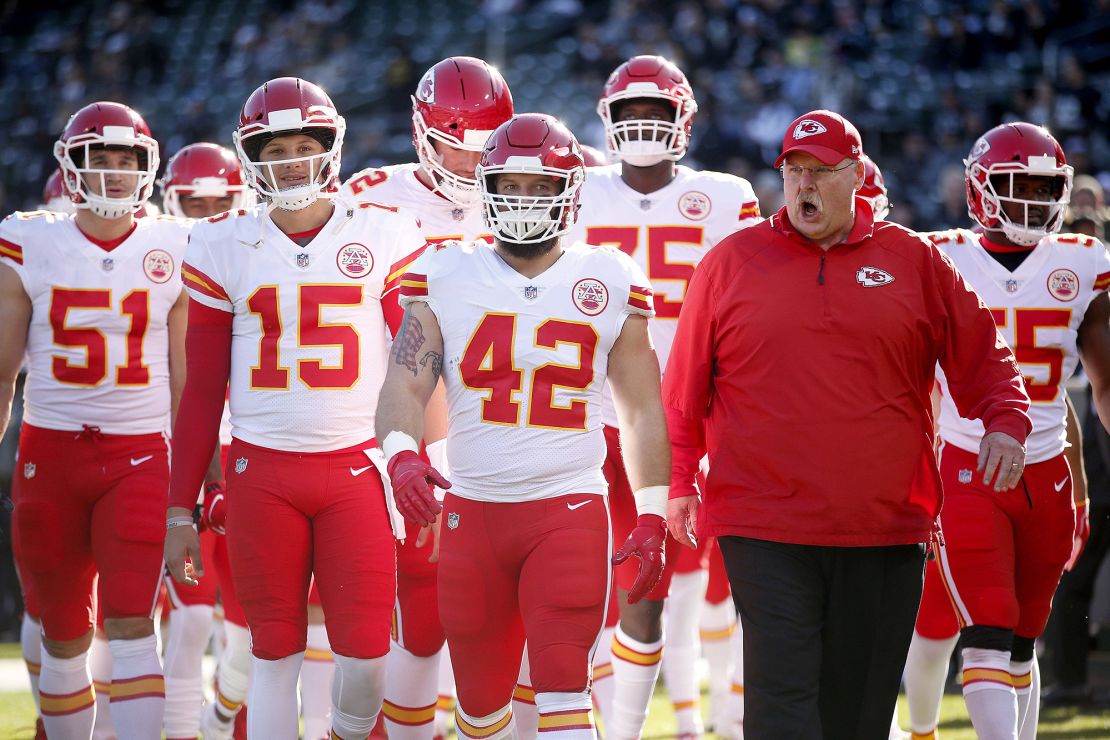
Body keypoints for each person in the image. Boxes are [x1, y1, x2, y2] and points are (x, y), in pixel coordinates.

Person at [664, 109, 1033, 740]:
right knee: (782, 705)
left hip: (885, 526)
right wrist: (678, 483)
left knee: (857, 714)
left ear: (856, 176)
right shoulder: (730, 262)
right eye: (793, 170)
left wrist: (1005, 420)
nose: (804, 185)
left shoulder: (915, 261)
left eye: (821, 171)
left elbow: (985, 358)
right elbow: (683, 388)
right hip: (763, 521)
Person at [375, 112, 671, 740]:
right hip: (473, 510)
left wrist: (650, 511)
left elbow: (642, 407)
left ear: (569, 191)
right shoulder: (443, 272)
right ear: (485, 187)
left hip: (568, 504)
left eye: (540, 187)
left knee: (565, 692)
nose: (524, 200)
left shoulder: (611, 276)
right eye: (511, 184)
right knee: (480, 711)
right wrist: (401, 452)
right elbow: (405, 380)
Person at [164, 76, 428, 740]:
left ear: (330, 149)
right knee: (272, 652)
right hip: (262, 470)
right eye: (274, 149)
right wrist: (179, 506)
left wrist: (427, 458)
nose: (291, 162)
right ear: (252, 157)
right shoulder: (222, 242)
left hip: (358, 467)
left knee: (367, 656)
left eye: (304, 146)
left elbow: (418, 363)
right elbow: (202, 388)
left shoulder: (385, 231)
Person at [563, 54, 761, 740]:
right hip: (586, 415)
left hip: (682, 420)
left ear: (683, 120)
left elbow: (747, 314)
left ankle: (634, 730)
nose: (644, 123)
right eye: (631, 112)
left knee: (652, 588)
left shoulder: (726, 194)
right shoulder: (575, 188)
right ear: (608, 121)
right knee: (579, 588)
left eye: (657, 111)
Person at [902, 122, 1110, 740]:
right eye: (1016, 186)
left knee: (1024, 635)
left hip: (1046, 468)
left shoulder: (1084, 259)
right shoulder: (937, 254)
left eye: (1046, 189)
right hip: (964, 460)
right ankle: (924, 729)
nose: (1032, 202)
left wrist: (1078, 486)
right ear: (979, 189)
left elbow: (1102, 386)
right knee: (987, 625)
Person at [0, 100, 191, 739]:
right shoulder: (29, 239)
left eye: (125, 161)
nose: (112, 174)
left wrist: (198, 483)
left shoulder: (176, 242)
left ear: (147, 168)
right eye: (97, 160)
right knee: (63, 637)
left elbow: (187, 380)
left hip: (140, 456)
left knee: (134, 623)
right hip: (49, 457)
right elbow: (1, 372)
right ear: (70, 166)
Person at [338, 56, 513, 739]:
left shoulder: (531, 186)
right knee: (413, 603)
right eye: (455, 144)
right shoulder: (372, 196)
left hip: (502, 422)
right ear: (421, 131)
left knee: (497, 608)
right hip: (403, 421)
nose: (470, 165)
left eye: (483, 149)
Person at [156, 140, 253, 740]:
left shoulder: (253, 258)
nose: (206, 216)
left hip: (249, 462)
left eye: (220, 203)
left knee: (247, 635)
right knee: (190, 620)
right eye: (193, 204)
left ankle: (222, 721)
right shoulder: (157, 265)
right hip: (178, 458)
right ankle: (179, 730)